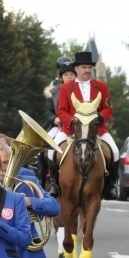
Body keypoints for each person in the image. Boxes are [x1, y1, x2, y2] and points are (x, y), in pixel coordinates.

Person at [53, 51, 120, 200]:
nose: (87, 70)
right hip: (71, 129)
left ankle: (110, 186)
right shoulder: (65, 88)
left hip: (97, 128)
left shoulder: (101, 86)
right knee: (51, 152)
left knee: (115, 152)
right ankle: (54, 184)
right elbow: (62, 110)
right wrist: (72, 121)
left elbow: (108, 108)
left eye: (89, 67)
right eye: (84, 67)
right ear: (76, 69)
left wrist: (100, 118)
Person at [43, 57, 76, 196]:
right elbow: (48, 111)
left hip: (79, 127)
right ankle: (50, 181)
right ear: (60, 74)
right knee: (45, 149)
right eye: (65, 74)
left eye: (71, 74)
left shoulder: (81, 89)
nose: (68, 76)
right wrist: (55, 118)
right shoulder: (54, 90)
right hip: (59, 126)